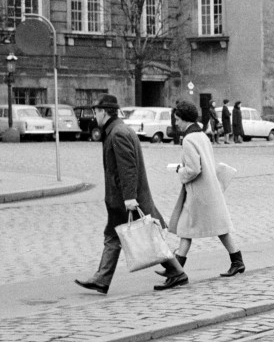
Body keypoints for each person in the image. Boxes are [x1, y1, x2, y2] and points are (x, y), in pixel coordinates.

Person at [74, 94, 188, 294]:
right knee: (113, 236)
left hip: (126, 200)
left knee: (147, 237)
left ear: (104, 112)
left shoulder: (117, 133)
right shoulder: (116, 130)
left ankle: (176, 272)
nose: (95, 116)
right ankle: (101, 279)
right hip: (121, 199)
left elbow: (128, 169)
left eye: (96, 112)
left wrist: (129, 198)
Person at [164, 101, 245, 278]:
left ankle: (177, 271)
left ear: (185, 119)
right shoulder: (202, 135)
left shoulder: (188, 139)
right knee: (217, 227)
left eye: (177, 119)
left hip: (198, 193)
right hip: (210, 189)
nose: (176, 123)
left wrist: (180, 171)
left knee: (186, 228)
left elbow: (193, 169)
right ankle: (237, 261)